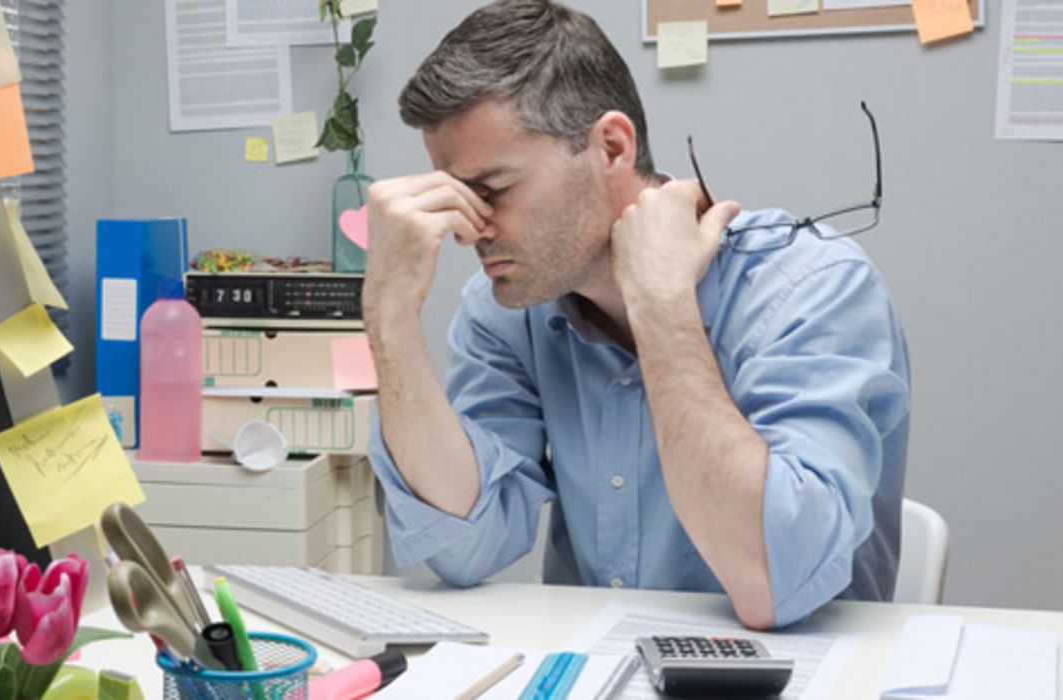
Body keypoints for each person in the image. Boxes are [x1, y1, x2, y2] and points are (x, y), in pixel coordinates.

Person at [362, 0, 909, 629]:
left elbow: (772, 585)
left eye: (493, 191)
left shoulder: (814, 286)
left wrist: (661, 303)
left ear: (612, 147)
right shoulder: (507, 312)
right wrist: (389, 314)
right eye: (458, 196)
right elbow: (462, 545)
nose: (470, 230)